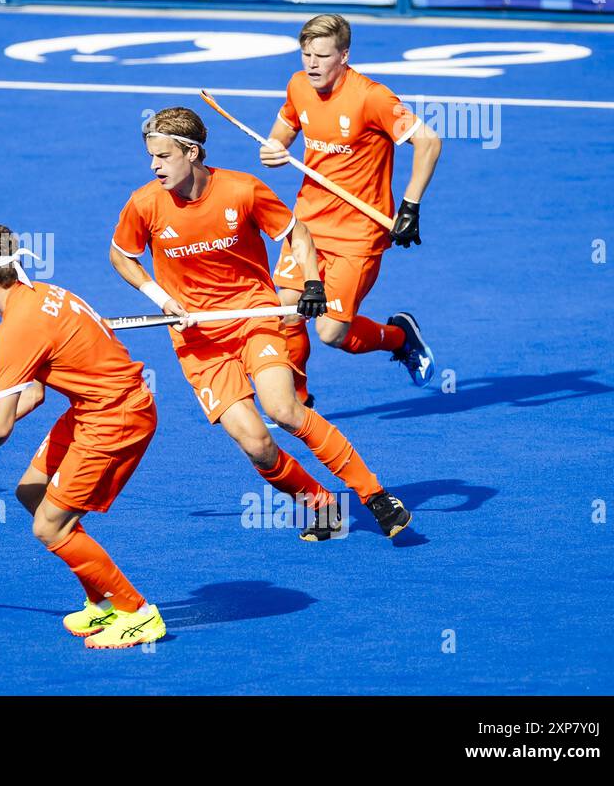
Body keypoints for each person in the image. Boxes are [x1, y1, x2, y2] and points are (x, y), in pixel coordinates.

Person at [109, 110, 410, 540]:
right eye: (151, 157)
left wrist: (311, 283)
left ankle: (374, 494)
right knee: (256, 443)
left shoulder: (242, 190)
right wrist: (162, 298)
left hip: (253, 316)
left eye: (162, 156)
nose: (154, 166)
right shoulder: (145, 204)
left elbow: (297, 233)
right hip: (198, 340)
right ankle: (321, 505)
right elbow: (121, 255)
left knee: (283, 410)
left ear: (191, 152)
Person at [0, 225, 166, 647]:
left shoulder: (16, 330)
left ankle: (137, 613)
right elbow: (33, 394)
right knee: (30, 492)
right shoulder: (40, 294)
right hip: (92, 409)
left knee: (49, 528)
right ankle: (103, 602)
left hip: (116, 419)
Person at [262, 13, 441, 405]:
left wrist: (410, 205)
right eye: (306, 54)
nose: (311, 64)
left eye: (322, 56)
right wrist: (276, 147)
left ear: (344, 55)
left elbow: (428, 141)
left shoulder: (372, 98)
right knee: (287, 310)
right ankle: (297, 398)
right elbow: (285, 128)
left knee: (331, 333)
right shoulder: (298, 85)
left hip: (358, 234)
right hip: (307, 223)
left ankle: (399, 336)